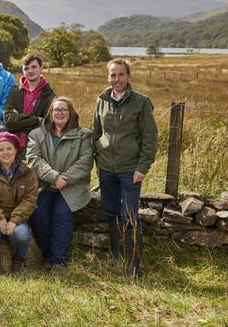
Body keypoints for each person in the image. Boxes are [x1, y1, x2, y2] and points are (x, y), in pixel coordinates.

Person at [92, 59, 158, 277]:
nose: (116, 79)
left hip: (130, 168)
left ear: (128, 77)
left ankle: (134, 263)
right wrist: (97, 162)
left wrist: (143, 166)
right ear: (107, 76)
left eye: (121, 75)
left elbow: (150, 138)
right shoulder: (102, 101)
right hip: (106, 168)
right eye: (112, 75)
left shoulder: (141, 102)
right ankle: (116, 255)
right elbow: (96, 133)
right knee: (110, 212)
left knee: (129, 215)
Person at [26, 97, 93, 270]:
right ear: (50, 113)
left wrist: (64, 179)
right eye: (56, 109)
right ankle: (47, 254)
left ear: (71, 113)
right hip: (45, 184)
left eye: (64, 109)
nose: (60, 113)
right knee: (39, 215)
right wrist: (53, 177)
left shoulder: (83, 135)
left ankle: (59, 260)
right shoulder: (37, 134)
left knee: (61, 214)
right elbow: (34, 159)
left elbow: (85, 163)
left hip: (72, 186)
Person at [0, 131, 38, 274]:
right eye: (1, 149)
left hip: (17, 217)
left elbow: (30, 200)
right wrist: (0, 216)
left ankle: (18, 261)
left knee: (22, 235)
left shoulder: (28, 172)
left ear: (16, 149)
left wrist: (14, 220)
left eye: (9, 148)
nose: (5, 153)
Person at [3, 52, 56, 153]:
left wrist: (19, 119)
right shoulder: (14, 91)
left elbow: (47, 123)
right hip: (12, 144)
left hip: (35, 147)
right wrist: (36, 119)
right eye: (26, 68)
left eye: (34, 67)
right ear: (23, 71)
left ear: (41, 68)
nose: (30, 71)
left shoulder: (49, 95)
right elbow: (9, 121)